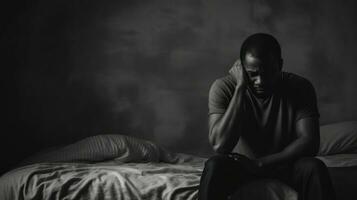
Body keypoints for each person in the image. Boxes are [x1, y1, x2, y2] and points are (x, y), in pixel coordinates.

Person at [198, 33, 336, 200]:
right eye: (252, 74)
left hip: (284, 164)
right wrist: (240, 88)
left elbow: (310, 142)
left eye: (268, 72)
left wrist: (261, 163)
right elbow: (220, 145)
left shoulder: (300, 87)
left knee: (315, 167)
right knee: (214, 166)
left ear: (280, 65)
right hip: (242, 166)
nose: (260, 81)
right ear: (241, 69)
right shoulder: (223, 87)